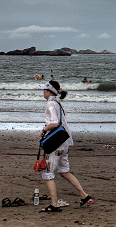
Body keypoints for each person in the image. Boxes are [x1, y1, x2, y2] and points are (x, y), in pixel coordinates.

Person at [37, 79, 92, 212]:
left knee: (48, 173)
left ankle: (54, 204)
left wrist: (44, 130)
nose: (42, 93)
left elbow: (55, 123)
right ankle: (84, 195)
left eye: (44, 90)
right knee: (64, 171)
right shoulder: (58, 103)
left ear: (49, 91)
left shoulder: (50, 103)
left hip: (56, 144)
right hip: (65, 141)